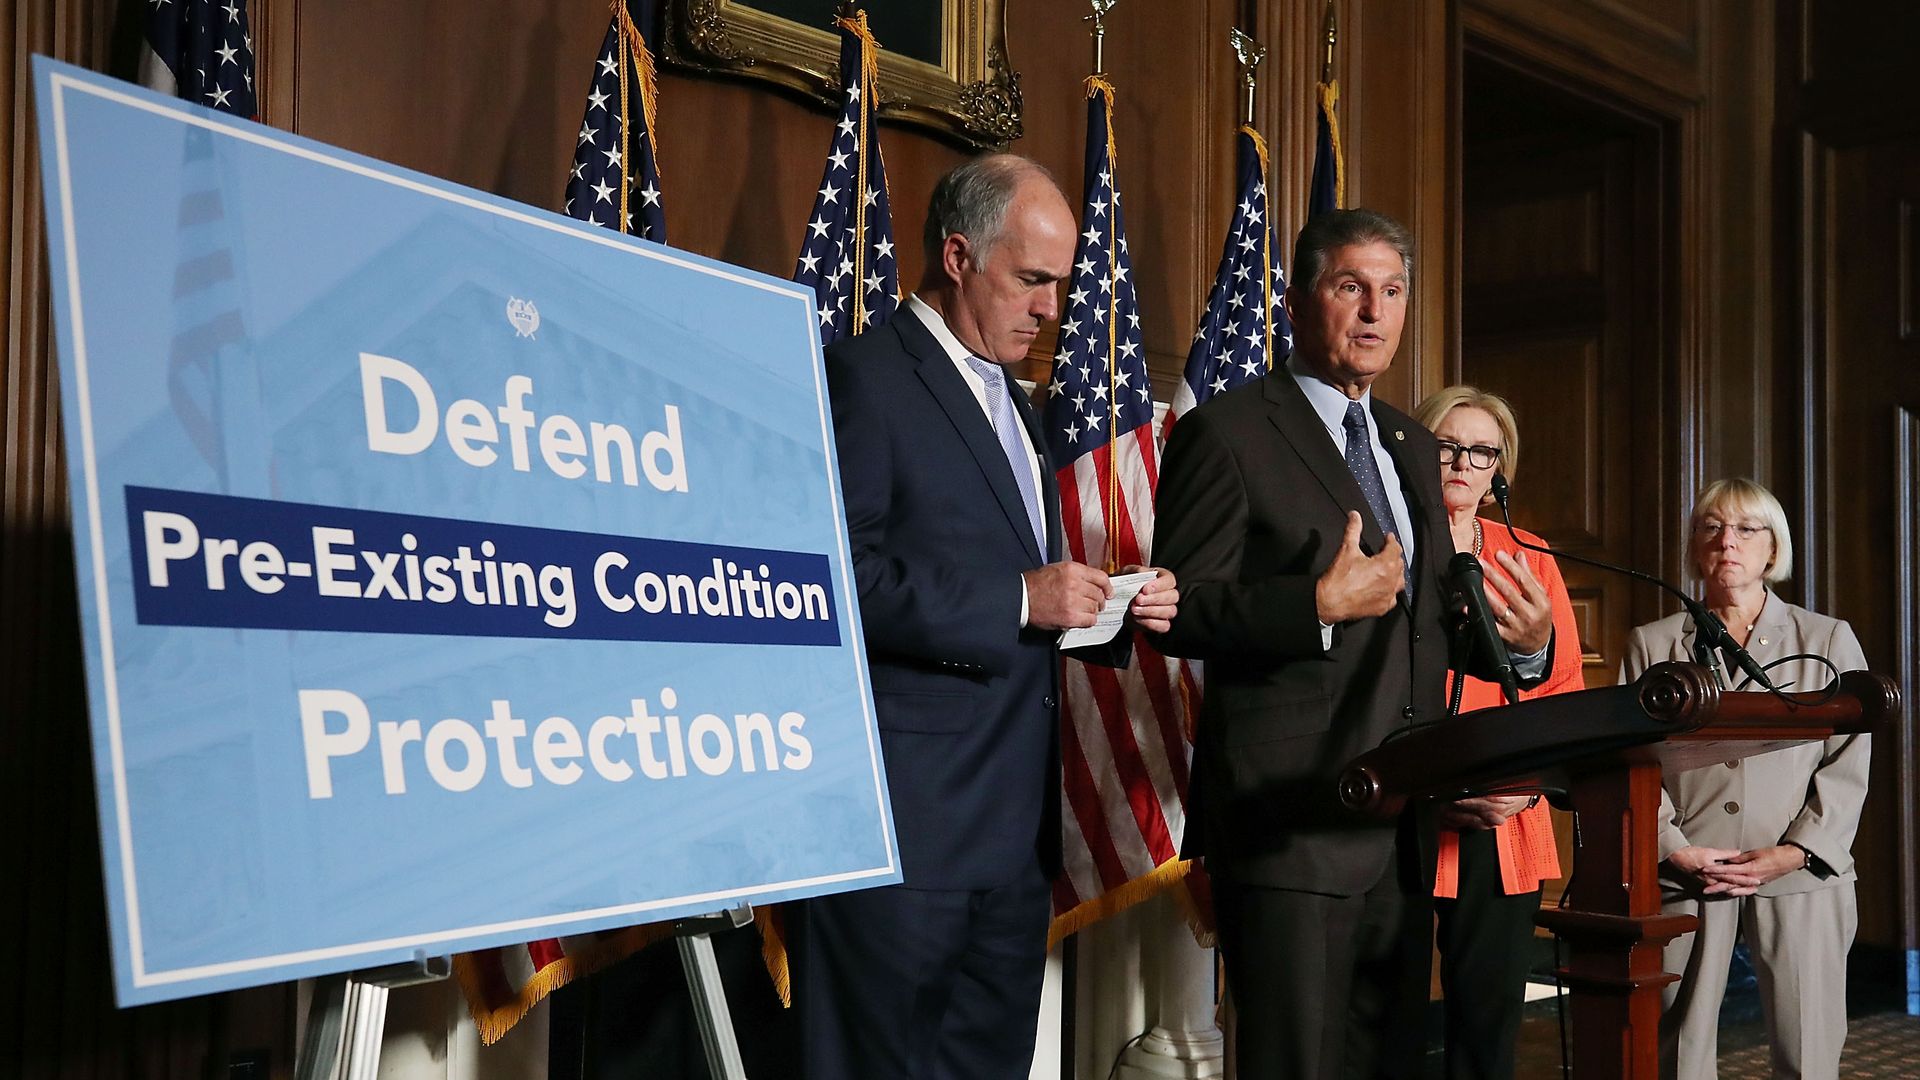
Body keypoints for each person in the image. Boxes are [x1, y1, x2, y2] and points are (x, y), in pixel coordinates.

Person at [798, 153, 1180, 1079]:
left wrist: (1113, 606)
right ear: (959, 255)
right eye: (1033, 280)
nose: (1052, 309)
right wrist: (1021, 597)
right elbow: (832, 581)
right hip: (905, 832)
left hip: (1013, 841)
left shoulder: (1020, 405)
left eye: (1060, 284)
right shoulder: (863, 379)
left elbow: (1011, 589)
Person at [1151, 209, 1555, 1079]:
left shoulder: (1410, 442)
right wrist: (1317, 605)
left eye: (1393, 291)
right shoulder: (1227, 433)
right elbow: (1180, 610)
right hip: (1290, 823)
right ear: (1296, 303)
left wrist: (1520, 646)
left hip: (1404, 823)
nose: (1375, 311)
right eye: (1350, 288)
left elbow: (1439, 620)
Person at [1618, 478, 1869, 1080]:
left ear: (1772, 551)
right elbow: (1627, 763)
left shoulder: (1827, 639)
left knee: (1808, 1052)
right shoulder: (1651, 645)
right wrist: (1674, 852)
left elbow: (1848, 762)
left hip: (1799, 874)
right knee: (1677, 1053)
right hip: (1686, 874)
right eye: (1711, 527)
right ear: (1694, 547)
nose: (1727, 541)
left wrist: (1795, 851)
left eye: (1746, 529)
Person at [1412, 386, 1585, 1080]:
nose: (1462, 461)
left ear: (1498, 472)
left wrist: (1525, 786)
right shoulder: (1389, 543)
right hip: (1403, 813)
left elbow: (1564, 689)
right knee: (1380, 1019)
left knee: (1486, 1029)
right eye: (1447, 445)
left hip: (1502, 819)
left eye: (1482, 451)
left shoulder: (1528, 555)